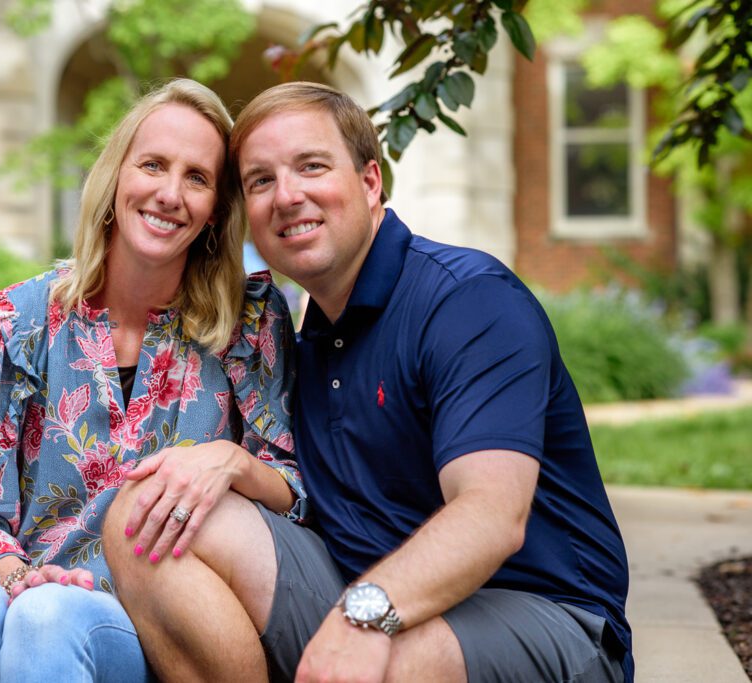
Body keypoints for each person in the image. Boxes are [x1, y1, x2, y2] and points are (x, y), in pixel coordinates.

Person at [106, 81, 632, 683]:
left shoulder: (466, 300)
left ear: (370, 181)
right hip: (363, 595)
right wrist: (226, 462)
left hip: (545, 616)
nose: (288, 196)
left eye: (312, 167)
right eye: (260, 180)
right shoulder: (305, 329)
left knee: (382, 661)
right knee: (145, 518)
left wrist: (363, 618)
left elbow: (491, 514)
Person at [0, 78, 305, 683]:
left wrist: (232, 460)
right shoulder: (6, 327)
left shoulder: (248, 324)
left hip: (161, 624)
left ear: (216, 212)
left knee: (46, 620)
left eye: (197, 178)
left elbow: (296, 491)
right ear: (116, 176)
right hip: (27, 594)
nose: (170, 193)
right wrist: (22, 577)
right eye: (153, 164)